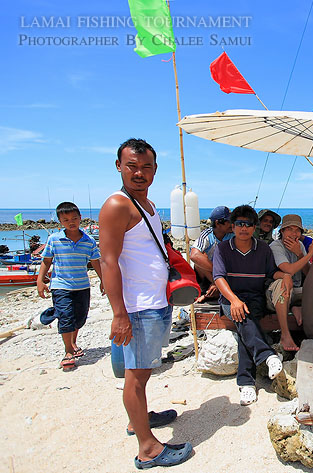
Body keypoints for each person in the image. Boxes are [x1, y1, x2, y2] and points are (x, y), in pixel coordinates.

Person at [100, 138, 193, 469]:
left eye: (146, 167)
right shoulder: (117, 205)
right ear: (119, 166)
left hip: (155, 302)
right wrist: (119, 314)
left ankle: (138, 419)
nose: (139, 173)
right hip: (137, 307)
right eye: (131, 166)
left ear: (154, 169)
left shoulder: (146, 204)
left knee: (142, 369)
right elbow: (108, 262)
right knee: (135, 376)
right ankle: (148, 449)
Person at [212, 205, 285, 405]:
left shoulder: (263, 249)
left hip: (255, 296)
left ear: (255, 227)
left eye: (248, 224)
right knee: (243, 317)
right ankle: (268, 356)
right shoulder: (223, 249)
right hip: (230, 297)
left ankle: (246, 384)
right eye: (239, 224)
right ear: (232, 227)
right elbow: (218, 277)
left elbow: (271, 273)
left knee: (246, 323)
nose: (243, 228)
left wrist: (284, 276)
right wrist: (234, 300)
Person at [36, 201, 103, 371]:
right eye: (66, 220)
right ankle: (68, 351)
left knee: (79, 317)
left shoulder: (88, 241)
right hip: (60, 285)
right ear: (60, 222)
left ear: (80, 218)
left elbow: (96, 262)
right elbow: (47, 261)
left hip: (82, 286)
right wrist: (40, 280)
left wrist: (104, 281)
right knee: (65, 316)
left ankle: (73, 343)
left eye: (74, 218)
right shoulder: (54, 239)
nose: (71, 222)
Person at [268, 214, 313, 351]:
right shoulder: (276, 246)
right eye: (289, 229)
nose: (294, 233)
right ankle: (285, 335)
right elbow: (288, 270)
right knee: (284, 285)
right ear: (282, 231)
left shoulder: (299, 245)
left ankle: (296, 306)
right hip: (275, 294)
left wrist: (300, 254)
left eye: (297, 230)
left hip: (296, 290)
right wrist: (310, 254)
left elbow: (309, 273)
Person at [190, 206, 234, 302]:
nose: (232, 224)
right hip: (210, 276)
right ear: (218, 223)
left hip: (228, 276)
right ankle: (216, 287)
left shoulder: (233, 235)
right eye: (229, 221)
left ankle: (214, 290)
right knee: (201, 256)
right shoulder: (207, 235)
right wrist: (217, 277)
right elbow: (194, 255)